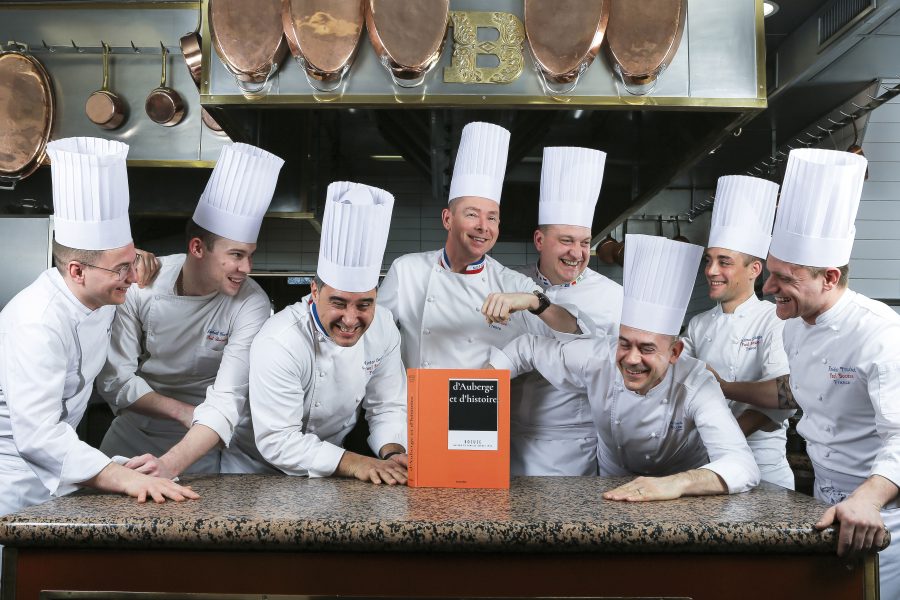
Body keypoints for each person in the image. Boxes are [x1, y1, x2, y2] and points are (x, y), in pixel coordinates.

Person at [711, 149, 900, 594]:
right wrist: (725, 387)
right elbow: (796, 391)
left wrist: (868, 500)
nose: (769, 288)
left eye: (783, 278)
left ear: (829, 278)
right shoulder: (796, 324)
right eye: (770, 274)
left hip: (880, 515)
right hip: (824, 502)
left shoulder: (881, 334)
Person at [0, 137, 198, 517]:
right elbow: (38, 435)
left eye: (132, 260)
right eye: (121, 269)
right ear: (77, 271)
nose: (131, 276)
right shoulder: (36, 323)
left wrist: (130, 263)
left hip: (57, 474)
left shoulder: (100, 295)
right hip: (12, 480)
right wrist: (124, 478)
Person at [490, 234, 760, 501]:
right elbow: (526, 348)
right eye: (624, 344)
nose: (631, 359)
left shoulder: (696, 384)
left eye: (647, 349)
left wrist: (676, 484)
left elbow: (742, 466)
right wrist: (479, 389)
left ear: (675, 352)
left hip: (679, 497)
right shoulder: (599, 356)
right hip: (610, 490)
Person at [97, 143, 284, 478]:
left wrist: (170, 461)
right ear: (198, 247)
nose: (247, 267)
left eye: (250, 255)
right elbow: (115, 379)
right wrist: (182, 410)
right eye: (237, 255)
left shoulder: (251, 303)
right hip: (132, 434)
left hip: (201, 441)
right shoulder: (143, 284)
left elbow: (228, 398)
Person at [378, 122, 581, 372]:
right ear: (447, 219)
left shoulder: (510, 282)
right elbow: (374, 337)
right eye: (472, 214)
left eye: (492, 217)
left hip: (482, 406)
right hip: (420, 404)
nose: (483, 226)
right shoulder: (407, 270)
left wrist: (534, 301)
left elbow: (573, 333)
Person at [249, 182, 408, 484]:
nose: (351, 319)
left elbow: (387, 404)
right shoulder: (280, 341)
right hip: (257, 470)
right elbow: (278, 440)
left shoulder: (383, 326)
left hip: (331, 467)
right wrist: (355, 463)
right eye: (338, 303)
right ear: (314, 291)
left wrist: (392, 453)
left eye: (364, 304)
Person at [511, 146, 623, 476]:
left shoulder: (613, 297)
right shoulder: (510, 281)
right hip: (504, 442)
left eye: (585, 242)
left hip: (575, 448)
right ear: (540, 240)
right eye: (566, 241)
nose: (577, 252)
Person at [681, 175, 795, 489]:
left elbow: (781, 397)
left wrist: (721, 437)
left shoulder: (775, 319)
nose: (711, 271)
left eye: (724, 262)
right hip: (707, 465)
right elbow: (678, 381)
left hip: (764, 472)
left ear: (754, 270)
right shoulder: (699, 324)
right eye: (709, 260)